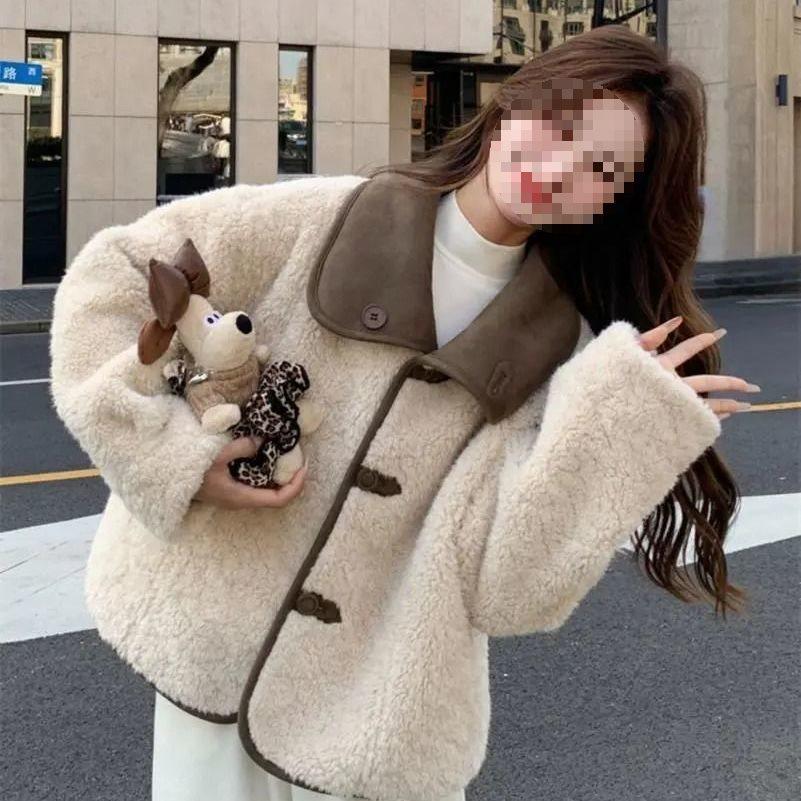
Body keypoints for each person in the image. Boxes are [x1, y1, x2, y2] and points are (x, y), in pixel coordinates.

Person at [50, 25, 756, 801]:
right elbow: (118, 274)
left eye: (600, 169)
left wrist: (615, 429)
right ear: (514, 104)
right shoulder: (320, 217)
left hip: (379, 715)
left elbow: (509, 590)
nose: (559, 169)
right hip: (212, 654)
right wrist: (174, 460)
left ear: (613, 201)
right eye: (560, 126)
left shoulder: (563, 347)